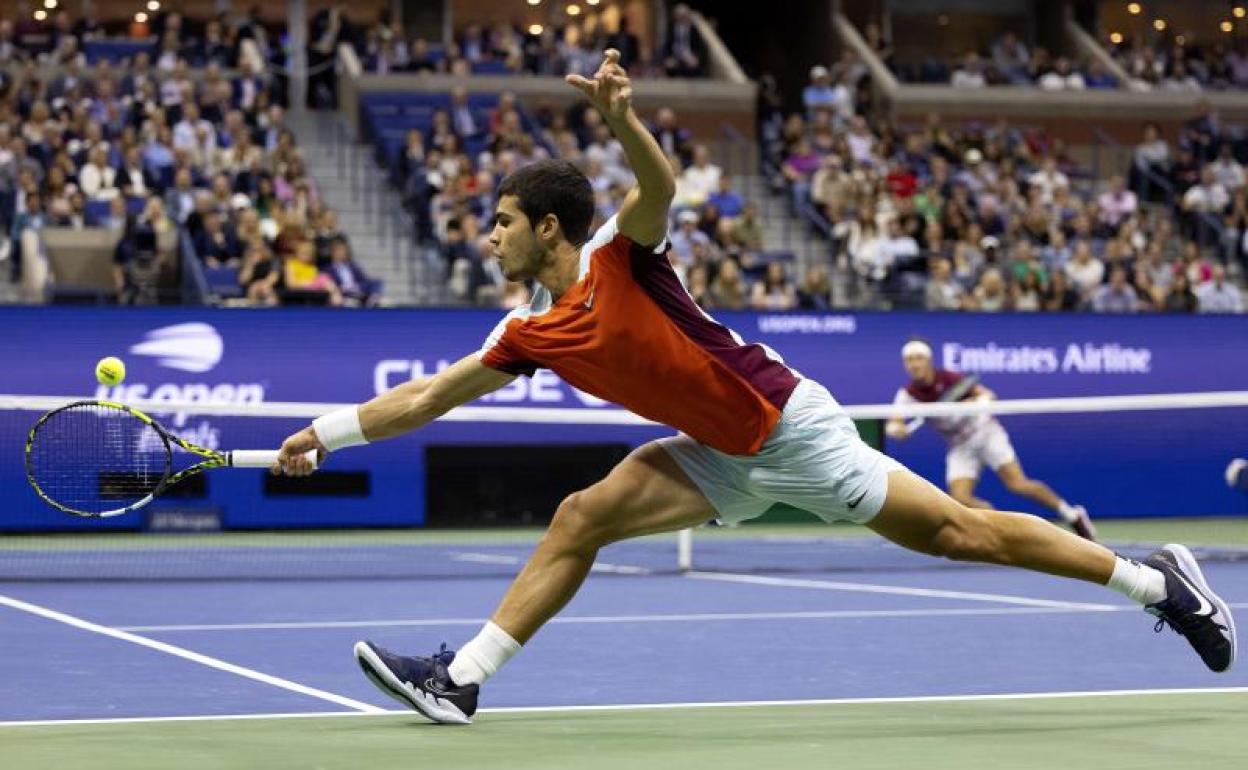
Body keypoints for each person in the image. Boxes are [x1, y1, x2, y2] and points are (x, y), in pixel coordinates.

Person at [274, 51, 1237, 726]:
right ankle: (463, 679)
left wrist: (624, 122)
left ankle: (1156, 581)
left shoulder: (617, 255)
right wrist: (323, 431)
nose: (489, 236)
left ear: (550, 230)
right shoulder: (524, 331)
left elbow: (657, 192)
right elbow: (425, 399)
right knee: (581, 516)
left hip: (786, 427)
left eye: (503, 222)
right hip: (716, 453)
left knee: (960, 534)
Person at [886, 340, 1098, 540]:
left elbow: (989, 396)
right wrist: (897, 430)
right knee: (960, 498)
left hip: (985, 432)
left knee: (1018, 484)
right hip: (959, 446)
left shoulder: (950, 378)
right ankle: (1003, 530)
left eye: (918, 358)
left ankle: (1072, 514)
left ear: (929, 360)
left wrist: (971, 404)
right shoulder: (908, 394)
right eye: (909, 360)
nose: (914, 364)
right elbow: (893, 423)